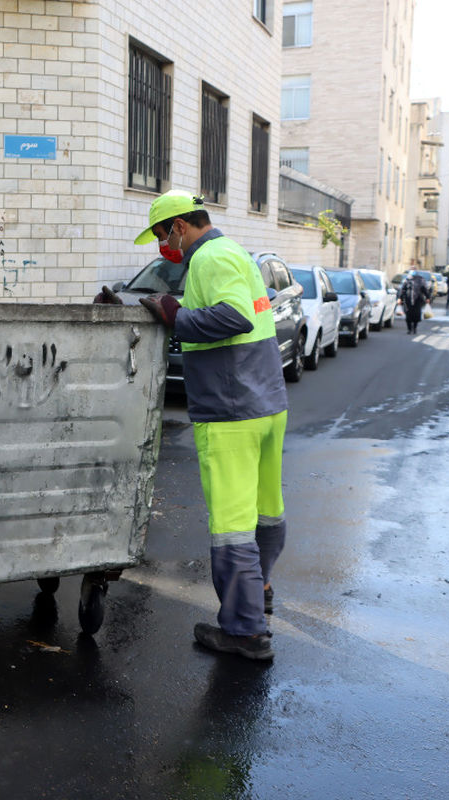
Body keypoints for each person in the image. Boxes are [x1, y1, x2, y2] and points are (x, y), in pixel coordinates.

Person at [135, 191, 285, 662]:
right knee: (266, 510)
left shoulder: (208, 257)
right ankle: (256, 595)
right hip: (265, 401)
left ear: (179, 225)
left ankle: (244, 632)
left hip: (230, 406)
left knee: (232, 526)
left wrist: (175, 315)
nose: (163, 244)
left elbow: (233, 317)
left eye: (162, 234)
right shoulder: (233, 251)